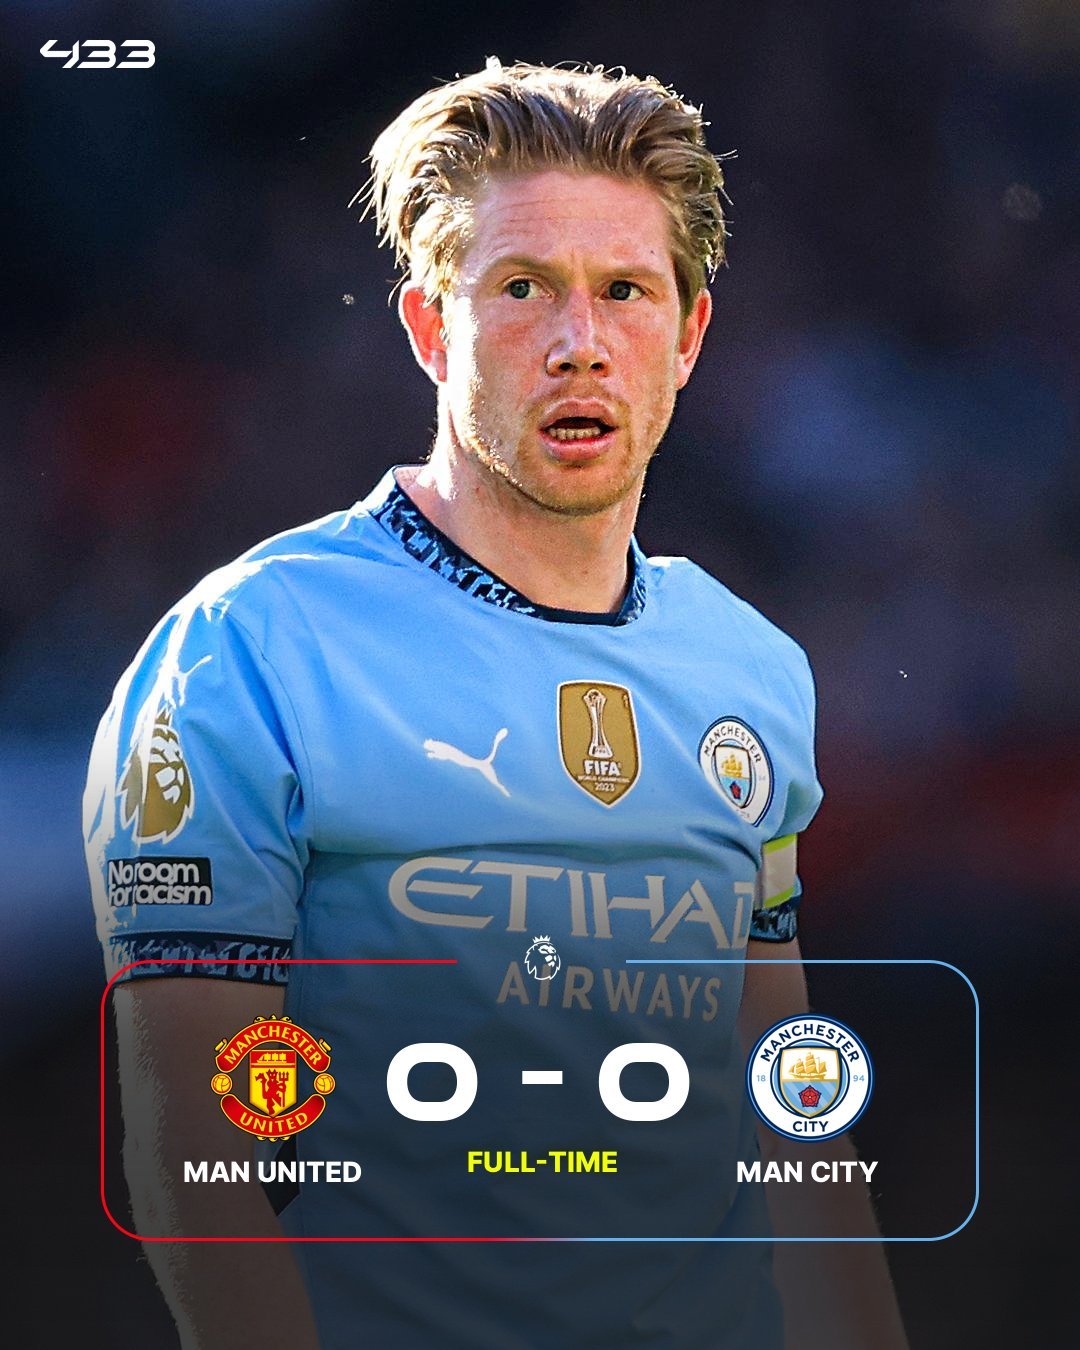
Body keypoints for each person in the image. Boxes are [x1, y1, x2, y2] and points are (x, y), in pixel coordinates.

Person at [84, 60, 909, 1349]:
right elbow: (196, 1161)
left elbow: (789, 1120)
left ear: (688, 336)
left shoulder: (750, 667)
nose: (581, 341)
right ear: (429, 327)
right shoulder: (245, 650)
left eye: (625, 291)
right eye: (522, 288)